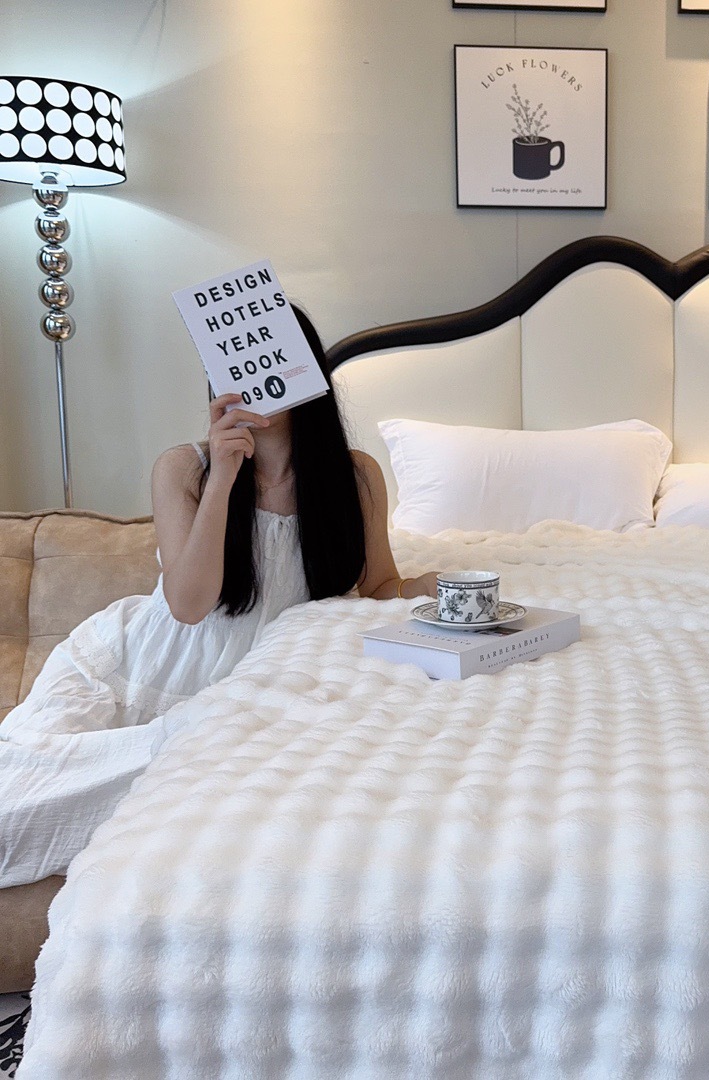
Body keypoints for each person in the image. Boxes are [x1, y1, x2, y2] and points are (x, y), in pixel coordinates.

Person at [0, 306, 437, 988]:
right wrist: (227, 473)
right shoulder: (185, 467)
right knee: (16, 796)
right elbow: (188, 603)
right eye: (230, 367)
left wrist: (440, 592)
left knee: (237, 780)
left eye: (269, 361)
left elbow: (378, 584)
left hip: (264, 692)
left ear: (305, 372)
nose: (251, 379)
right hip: (143, 668)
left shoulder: (355, 476)